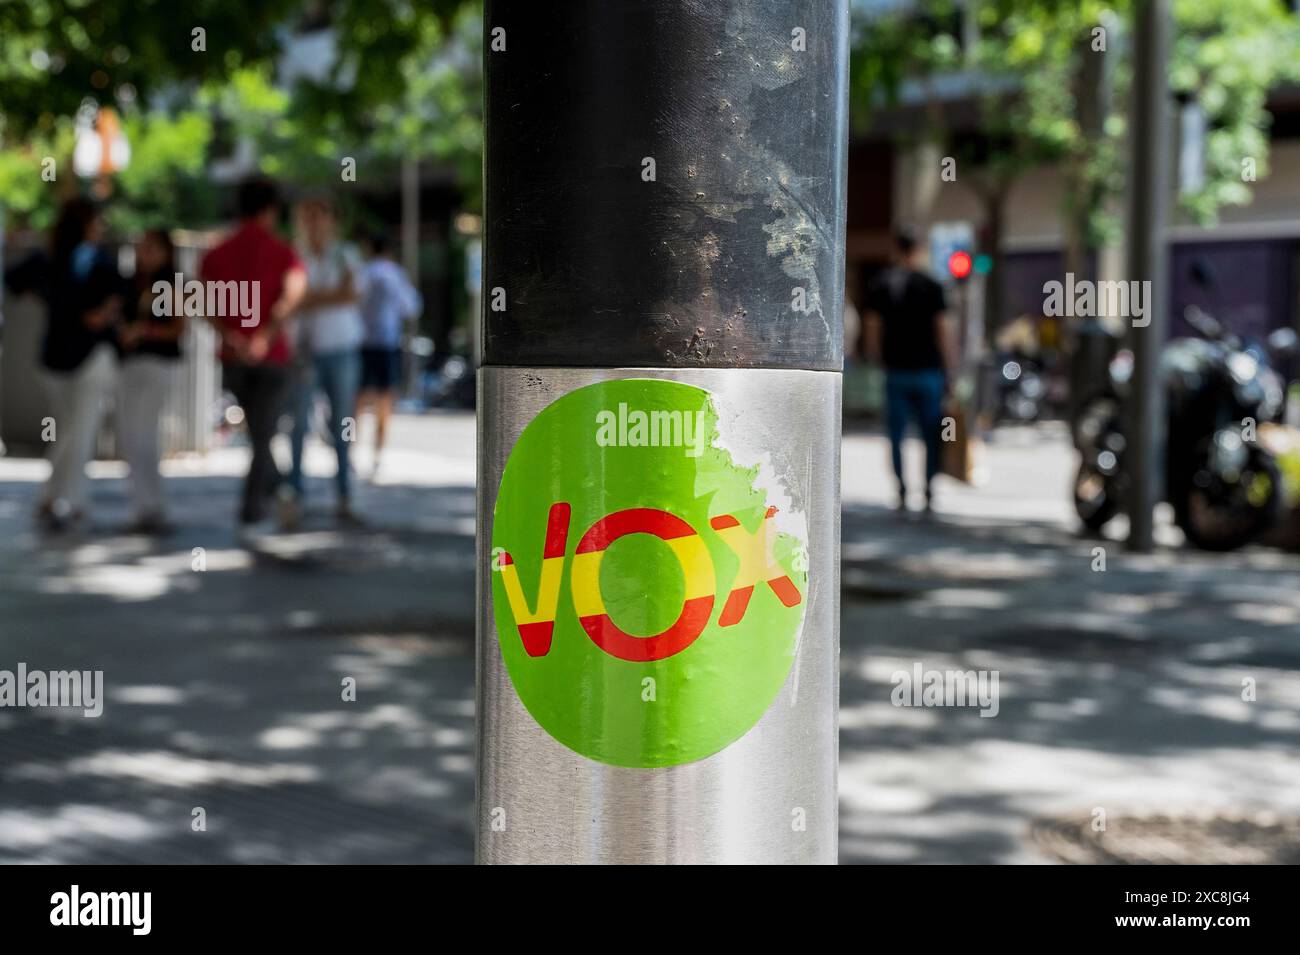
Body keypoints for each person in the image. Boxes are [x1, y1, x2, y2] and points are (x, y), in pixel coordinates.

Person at [201, 177, 306, 528]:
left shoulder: (217, 254)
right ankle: (260, 503)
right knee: (264, 433)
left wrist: (233, 339)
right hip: (272, 358)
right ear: (270, 210)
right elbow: (291, 296)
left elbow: (205, 303)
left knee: (261, 431)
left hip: (234, 361)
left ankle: (271, 497)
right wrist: (263, 337)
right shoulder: (283, 251)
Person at [36, 198, 124, 532]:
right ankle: (68, 499)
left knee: (74, 428)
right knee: (75, 430)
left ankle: (60, 497)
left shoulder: (59, 259)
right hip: (72, 356)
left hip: (72, 357)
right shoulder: (72, 260)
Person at [863, 226, 956, 513]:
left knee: (896, 434)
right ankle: (928, 488)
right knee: (931, 433)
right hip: (929, 371)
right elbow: (943, 332)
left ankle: (902, 489)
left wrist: (878, 357)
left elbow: (872, 328)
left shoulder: (881, 285)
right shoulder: (932, 285)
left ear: (896, 249)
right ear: (917, 250)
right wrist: (950, 366)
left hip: (896, 371)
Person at [287, 197, 365, 525]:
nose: (314, 224)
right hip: (305, 351)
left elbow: (348, 295)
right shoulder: (295, 257)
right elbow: (293, 300)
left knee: (341, 425)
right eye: (308, 216)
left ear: (332, 221)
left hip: (342, 349)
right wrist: (324, 297)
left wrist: (310, 298)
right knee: (298, 424)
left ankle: (344, 495)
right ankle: (294, 496)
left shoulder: (345, 255)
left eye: (319, 216)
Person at [117, 229, 184, 533]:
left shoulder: (173, 283)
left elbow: (178, 328)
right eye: (141, 247)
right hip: (130, 364)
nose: (144, 253)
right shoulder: (130, 282)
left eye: (151, 247)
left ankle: (153, 505)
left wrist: (144, 332)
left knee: (146, 435)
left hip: (160, 363)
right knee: (130, 435)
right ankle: (140, 505)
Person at [357, 232, 421, 478]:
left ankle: (349, 446)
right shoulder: (395, 273)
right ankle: (378, 454)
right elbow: (412, 307)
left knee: (356, 400)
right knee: (385, 400)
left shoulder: (363, 272)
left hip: (361, 343)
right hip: (386, 343)